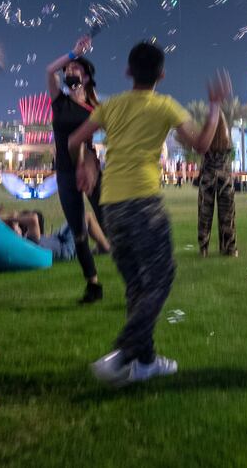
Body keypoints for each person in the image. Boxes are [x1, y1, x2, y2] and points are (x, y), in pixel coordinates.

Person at [68, 41, 231, 386]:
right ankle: (125, 351)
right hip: (143, 203)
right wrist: (215, 107)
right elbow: (202, 144)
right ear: (162, 74)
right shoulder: (164, 105)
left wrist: (85, 165)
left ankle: (144, 362)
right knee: (162, 277)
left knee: (137, 287)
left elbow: (74, 140)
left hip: (111, 205)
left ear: (128, 72)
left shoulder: (111, 106)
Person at [46, 35, 104, 304]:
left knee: (107, 221)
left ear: (87, 77)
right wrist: (73, 53)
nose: (69, 71)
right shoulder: (59, 101)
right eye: (68, 69)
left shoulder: (94, 108)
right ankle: (93, 283)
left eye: (75, 69)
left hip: (89, 169)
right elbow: (49, 70)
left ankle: (136, 276)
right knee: (78, 230)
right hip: (66, 172)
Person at [197, 112, 237, 257]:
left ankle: (203, 248)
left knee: (204, 215)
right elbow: (230, 160)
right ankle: (229, 248)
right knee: (227, 216)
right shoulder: (227, 140)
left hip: (208, 179)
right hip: (225, 179)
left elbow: (202, 159)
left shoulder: (206, 139)